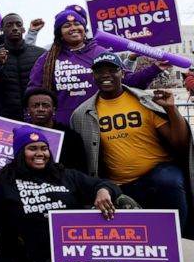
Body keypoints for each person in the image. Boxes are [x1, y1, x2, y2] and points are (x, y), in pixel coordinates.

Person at [71, 52, 191, 228]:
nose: (106, 75)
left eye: (112, 70)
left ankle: (177, 238)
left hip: (157, 174)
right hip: (118, 184)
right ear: (93, 76)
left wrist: (172, 110)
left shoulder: (144, 101)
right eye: (100, 71)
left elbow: (180, 143)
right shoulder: (82, 114)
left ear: (123, 73)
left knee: (169, 182)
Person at [0, 125, 123, 262]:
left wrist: (103, 191)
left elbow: (107, 184)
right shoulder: (6, 180)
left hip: (86, 245)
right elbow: (1, 223)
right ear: (20, 153)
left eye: (44, 148)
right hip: (51, 256)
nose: (40, 153)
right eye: (32, 148)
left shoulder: (65, 174)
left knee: (122, 200)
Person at [28, 8, 163, 125]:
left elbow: (127, 82)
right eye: (67, 25)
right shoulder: (47, 59)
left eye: (77, 24)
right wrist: (30, 121)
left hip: (101, 123)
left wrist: (155, 68)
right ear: (59, 33)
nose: (73, 28)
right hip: (63, 127)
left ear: (84, 29)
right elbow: (33, 93)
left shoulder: (101, 53)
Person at [0, 13, 45, 120]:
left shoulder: (40, 54)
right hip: (6, 117)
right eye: (9, 25)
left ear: (23, 29)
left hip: (35, 116)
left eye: (18, 25)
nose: (14, 28)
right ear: (2, 30)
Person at [22, 88, 87, 172]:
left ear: (54, 110)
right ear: (28, 110)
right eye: (35, 105)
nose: (41, 109)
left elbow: (80, 170)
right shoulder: (20, 135)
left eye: (46, 105)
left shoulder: (71, 137)